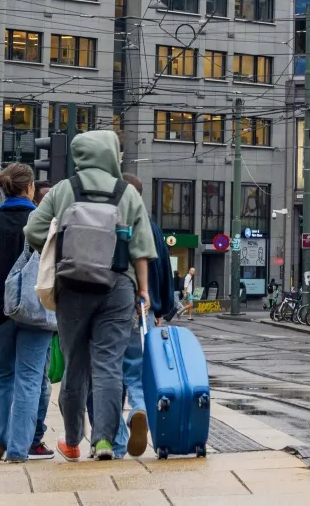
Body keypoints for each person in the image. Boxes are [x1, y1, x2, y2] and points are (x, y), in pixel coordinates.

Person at [23, 130, 156, 461]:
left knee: (75, 365)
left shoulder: (64, 190)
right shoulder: (127, 193)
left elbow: (33, 230)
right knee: (109, 365)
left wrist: (59, 249)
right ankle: (104, 442)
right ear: (109, 154)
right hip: (118, 286)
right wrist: (143, 290)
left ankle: (71, 441)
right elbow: (141, 248)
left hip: (73, 287)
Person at [0, 163, 48, 463]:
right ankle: (19, 449)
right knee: (29, 377)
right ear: (29, 189)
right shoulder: (43, 223)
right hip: (37, 312)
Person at [112, 173, 177, 460]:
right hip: (144, 310)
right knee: (138, 369)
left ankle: (114, 438)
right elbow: (163, 268)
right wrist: (162, 310)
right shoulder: (152, 228)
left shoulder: (112, 220)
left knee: (109, 371)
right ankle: (139, 408)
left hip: (111, 305)